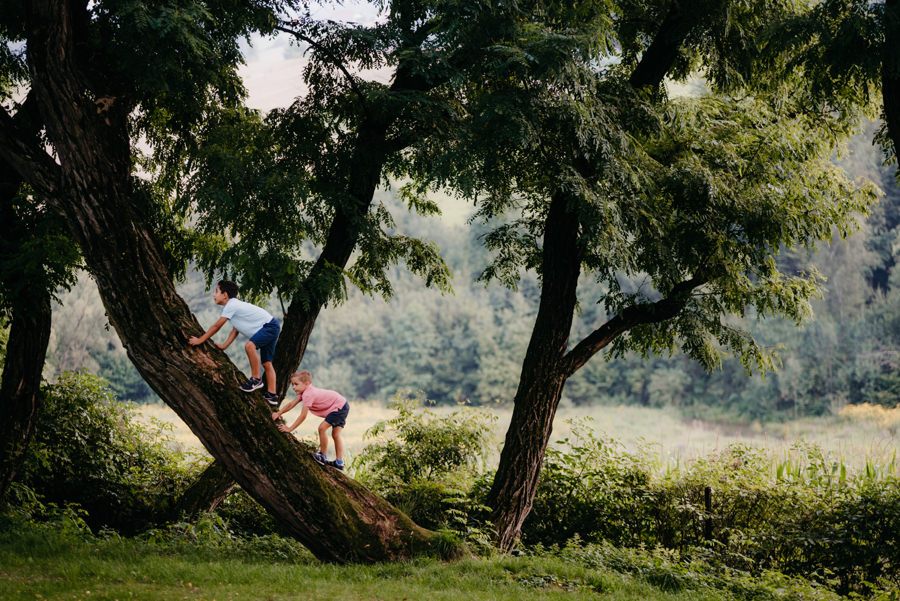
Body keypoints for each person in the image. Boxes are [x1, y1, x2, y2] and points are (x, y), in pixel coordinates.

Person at [188, 279, 281, 408]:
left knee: (249, 346)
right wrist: (224, 346)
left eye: (216, 291)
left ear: (225, 295)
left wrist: (200, 340)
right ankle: (272, 395)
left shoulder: (231, 305)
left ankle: (256, 379)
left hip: (268, 326)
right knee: (267, 363)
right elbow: (235, 329)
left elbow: (217, 326)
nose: (214, 295)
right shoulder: (234, 307)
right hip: (271, 326)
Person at [272, 370, 349, 470]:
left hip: (339, 406)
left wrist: (289, 429)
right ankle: (339, 462)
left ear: (306, 384)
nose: (293, 387)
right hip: (342, 404)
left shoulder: (308, 394)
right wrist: (279, 413)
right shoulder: (305, 391)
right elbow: (291, 404)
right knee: (335, 434)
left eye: (296, 384)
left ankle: (323, 456)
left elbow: (303, 416)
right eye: (292, 384)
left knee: (322, 428)